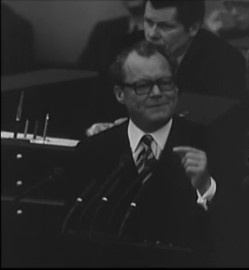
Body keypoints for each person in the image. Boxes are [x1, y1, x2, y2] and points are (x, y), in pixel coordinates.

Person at [63, 41, 221, 266]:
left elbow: (235, 230)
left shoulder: (208, 142)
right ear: (120, 94)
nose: (157, 93)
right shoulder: (93, 150)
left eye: (165, 83)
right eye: (143, 85)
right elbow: (73, 233)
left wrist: (206, 187)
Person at [85, 0, 248, 136]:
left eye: (165, 26)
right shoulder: (124, 49)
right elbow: (100, 107)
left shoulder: (224, 61)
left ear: (193, 28)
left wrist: (135, 127)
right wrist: (100, 127)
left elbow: (212, 129)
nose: (152, 34)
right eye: (148, 22)